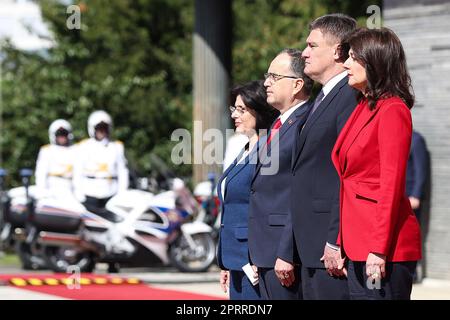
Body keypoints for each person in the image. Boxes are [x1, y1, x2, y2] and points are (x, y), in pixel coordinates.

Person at [331, 27, 422, 300]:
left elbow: (391, 185)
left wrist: (378, 248)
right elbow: (350, 182)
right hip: (357, 243)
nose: (345, 64)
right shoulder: (364, 106)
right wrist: (341, 242)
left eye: (353, 57)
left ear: (375, 61)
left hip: (383, 248)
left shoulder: (393, 110)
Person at [291, 13, 357, 299]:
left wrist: (335, 238)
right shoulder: (322, 96)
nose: (304, 53)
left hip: (329, 247)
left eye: (312, 46)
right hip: (307, 245)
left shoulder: (350, 95)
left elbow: (348, 173)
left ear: (337, 50)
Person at [248, 48, 313, 300]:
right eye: (267, 76)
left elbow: (301, 191)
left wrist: (287, 252)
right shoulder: (278, 123)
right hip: (264, 249)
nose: (266, 82)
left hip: (284, 254)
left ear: (297, 84)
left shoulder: (305, 122)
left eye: (274, 77)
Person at [217, 80, 278, 300]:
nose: (234, 114)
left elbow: (267, 206)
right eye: (234, 108)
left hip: (253, 258)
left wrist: (256, 256)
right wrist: (226, 260)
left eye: (242, 109)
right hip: (236, 258)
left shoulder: (270, 150)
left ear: (260, 111)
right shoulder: (244, 148)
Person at [73, 110, 129, 215]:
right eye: (98, 128)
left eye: (104, 128)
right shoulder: (83, 146)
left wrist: (122, 193)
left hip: (111, 193)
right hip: (89, 193)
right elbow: (77, 171)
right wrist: (78, 193)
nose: (102, 131)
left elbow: (122, 171)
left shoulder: (117, 146)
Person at [35, 119, 76, 199]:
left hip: (69, 189)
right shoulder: (46, 151)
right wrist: (42, 191)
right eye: (59, 134)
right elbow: (41, 173)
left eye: (64, 134)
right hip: (51, 188)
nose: (62, 137)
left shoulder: (74, 150)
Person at [407, 130, 429, 224]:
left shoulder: (415, 140)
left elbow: (421, 169)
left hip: (409, 196)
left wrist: (416, 195)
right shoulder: (395, 137)